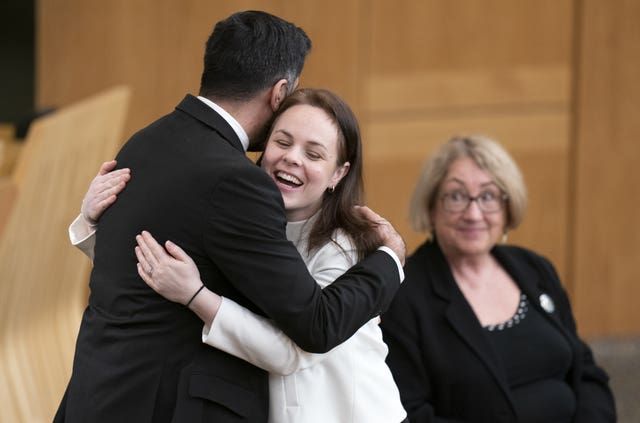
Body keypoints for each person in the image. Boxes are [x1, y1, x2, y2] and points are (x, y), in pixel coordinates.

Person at [56, 11, 405, 423]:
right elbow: (315, 324)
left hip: (99, 393)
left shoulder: (143, 143)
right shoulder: (238, 181)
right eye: (284, 141)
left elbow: (150, 266)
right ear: (279, 93)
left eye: (314, 153)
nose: (292, 158)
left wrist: (89, 225)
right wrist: (391, 259)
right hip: (163, 404)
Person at [379, 135, 616, 422]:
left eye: (488, 196)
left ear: (507, 207)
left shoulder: (534, 268)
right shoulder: (403, 294)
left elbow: (586, 373)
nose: (473, 213)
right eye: (456, 196)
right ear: (431, 207)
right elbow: (409, 413)